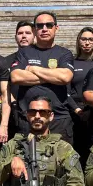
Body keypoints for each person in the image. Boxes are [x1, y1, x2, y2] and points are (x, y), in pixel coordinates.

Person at [10, 11, 75, 143]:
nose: (44, 29)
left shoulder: (64, 53)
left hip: (58, 120)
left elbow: (65, 78)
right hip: (29, 119)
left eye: (49, 25)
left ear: (56, 28)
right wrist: (53, 76)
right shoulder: (24, 52)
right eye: (40, 26)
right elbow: (16, 77)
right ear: (34, 29)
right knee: (28, 160)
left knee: (60, 161)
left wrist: (33, 69)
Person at [67, 27, 93, 161]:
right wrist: (76, 109)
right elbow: (66, 90)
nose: (87, 42)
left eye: (90, 39)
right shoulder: (71, 63)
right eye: (84, 39)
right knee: (77, 152)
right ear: (78, 41)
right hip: (75, 114)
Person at [6, 20, 35, 136]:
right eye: (20, 33)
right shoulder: (6, 61)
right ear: (15, 37)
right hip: (14, 115)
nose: (23, 36)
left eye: (27, 33)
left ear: (35, 35)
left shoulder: (41, 59)